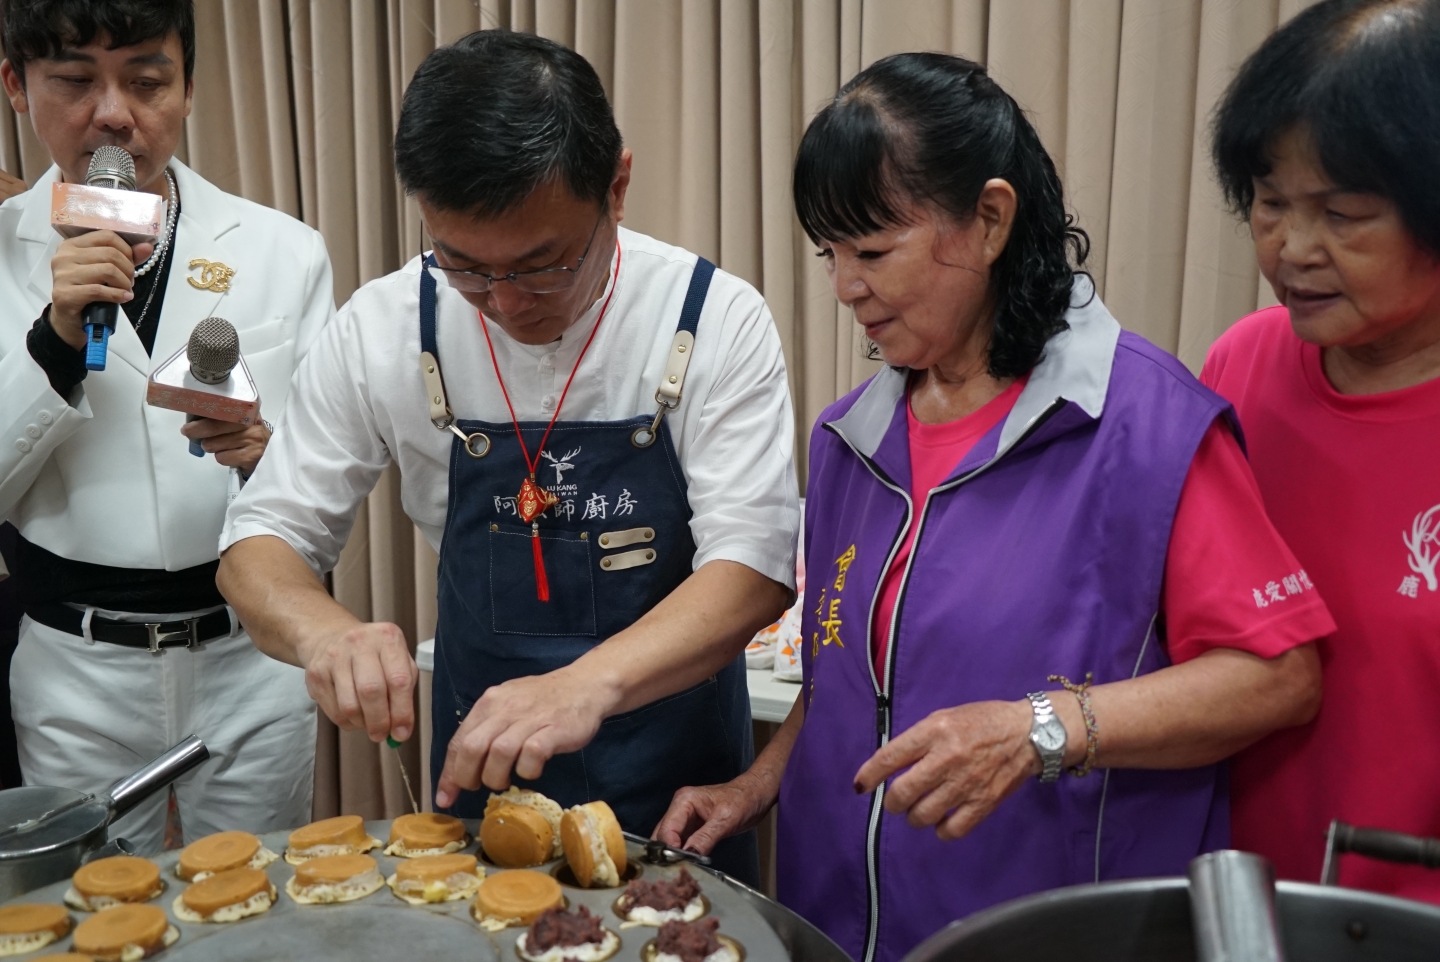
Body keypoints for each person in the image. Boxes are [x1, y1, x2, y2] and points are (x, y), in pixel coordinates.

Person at [656, 53, 1336, 962]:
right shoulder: (849, 441)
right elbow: (848, 686)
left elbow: (1278, 676)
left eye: (872, 251)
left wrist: (1036, 730)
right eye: (830, 254)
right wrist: (758, 784)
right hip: (835, 926)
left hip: (1048, 931)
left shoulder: (1144, 425)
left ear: (989, 220)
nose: (844, 287)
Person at [216, 30, 798, 886]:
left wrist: (587, 685)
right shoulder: (384, 326)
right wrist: (324, 633)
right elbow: (259, 541)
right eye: (464, 267)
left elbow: (752, 568)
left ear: (617, 188)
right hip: (482, 787)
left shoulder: (712, 317)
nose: (505, 304)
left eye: (542, 266)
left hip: (677, 787)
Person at [0, 0, 334, 853]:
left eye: (147, 81)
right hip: (75, 665)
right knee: (93, 906)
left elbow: (326, 480)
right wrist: (57, 338)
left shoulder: (283, 249)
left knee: (259, 898)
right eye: (75, 81)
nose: (114, 114)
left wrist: (264, 461)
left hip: (251, 655)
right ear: (16, 86)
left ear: (188, 87)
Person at [1205, 0, 1440, 901]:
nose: (1293, 248)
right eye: (1271, 203)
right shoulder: (1241, 365)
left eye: (1343, 213)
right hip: (1230, 906)